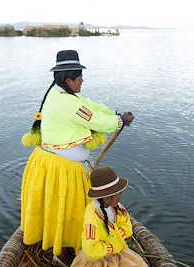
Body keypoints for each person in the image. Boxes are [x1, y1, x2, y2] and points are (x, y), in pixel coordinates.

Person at [20, 50, 134, 266]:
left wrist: (115, 114)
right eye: (80, 78)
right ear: (68, 80)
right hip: (60, 169)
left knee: (66, 209)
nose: (83, 81)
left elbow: (92, 106)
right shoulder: (66, 103)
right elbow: (94, 120)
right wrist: (120, 121)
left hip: (59, 165)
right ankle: (62, 253)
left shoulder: (63, 93)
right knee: (68, 210)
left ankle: (66, 246)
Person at [71, 166, 148, 267]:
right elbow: (90, 247)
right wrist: (110, 247)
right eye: (118, 193)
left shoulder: (117, 207)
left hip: (118, 248)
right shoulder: (92, 219)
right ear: (107, 198)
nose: (121, 196)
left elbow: (126, 223)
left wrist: (119, 235)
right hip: (98, 256)